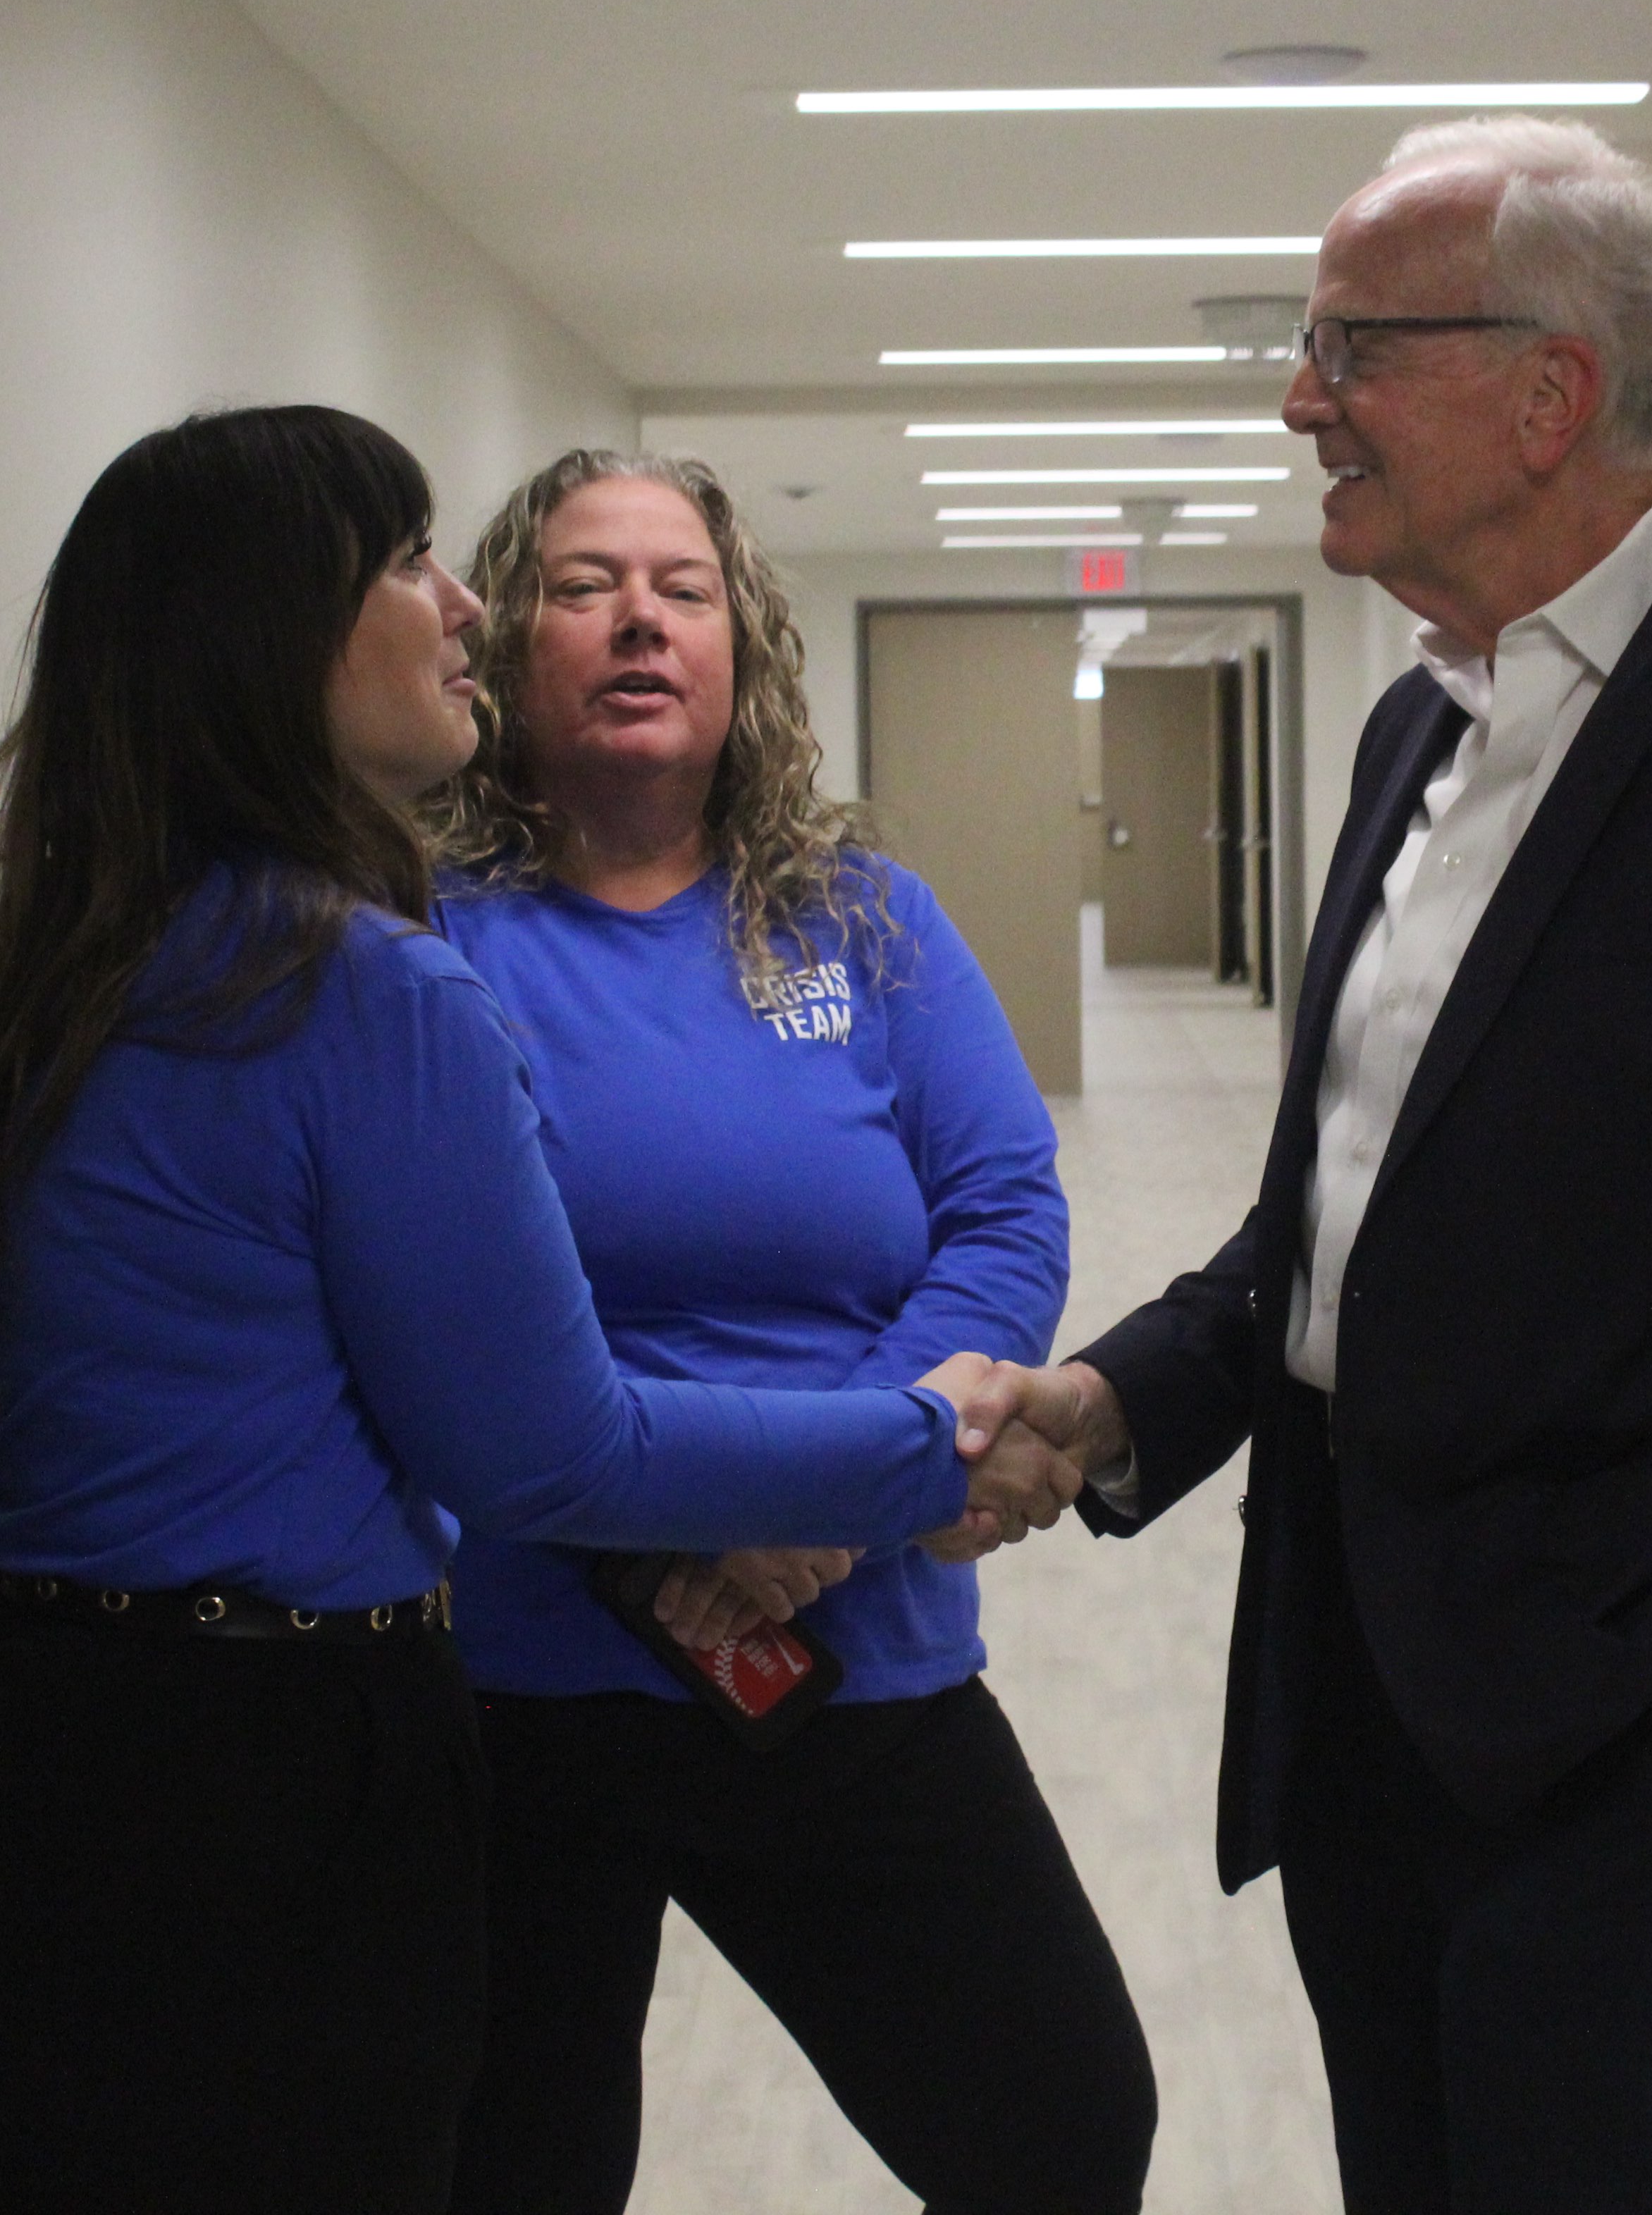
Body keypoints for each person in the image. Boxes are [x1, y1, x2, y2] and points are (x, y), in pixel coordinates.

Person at [0, 406, 1080, 2215]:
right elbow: (546, 1446)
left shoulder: (1, 986)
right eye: (421, 567)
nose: (464, 614)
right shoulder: (380, 983)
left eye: (680, 586)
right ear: (283, 640)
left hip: (3, 1762)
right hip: (291, 1792)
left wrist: (222, 1433)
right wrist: (915, 1450)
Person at [976, 118, 1652, 2214]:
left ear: (1549, 393)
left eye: (1354, 345)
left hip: (1621, 1757)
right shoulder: (1418, 728)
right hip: (1357, 1698)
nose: (1300, 399)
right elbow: (1338, 1222)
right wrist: (1114, 1406)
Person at [421, 449, 1157, 2215]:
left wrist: (832, 1492)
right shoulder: (422, 936)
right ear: (510, 642)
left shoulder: (859, 919)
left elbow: (1002, 1210)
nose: (638, 623)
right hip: (526, 1671)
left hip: (854, 1643)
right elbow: (426, 1302)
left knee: (1057, 2124)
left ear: (743, 648)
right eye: (586, 585)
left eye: (681, 589)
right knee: (512, 2172)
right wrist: (685, 1520)